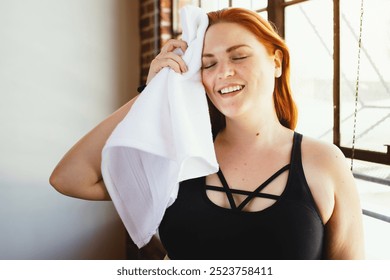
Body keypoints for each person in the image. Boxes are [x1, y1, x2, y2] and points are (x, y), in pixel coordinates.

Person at [50, 7, 364, 260]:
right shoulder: (179, 152)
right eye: (207, 64)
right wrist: (154, 92)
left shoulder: (324, 162)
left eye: (239, 56)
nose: (222, 72)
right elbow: (69, 178)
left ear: (277, 61)